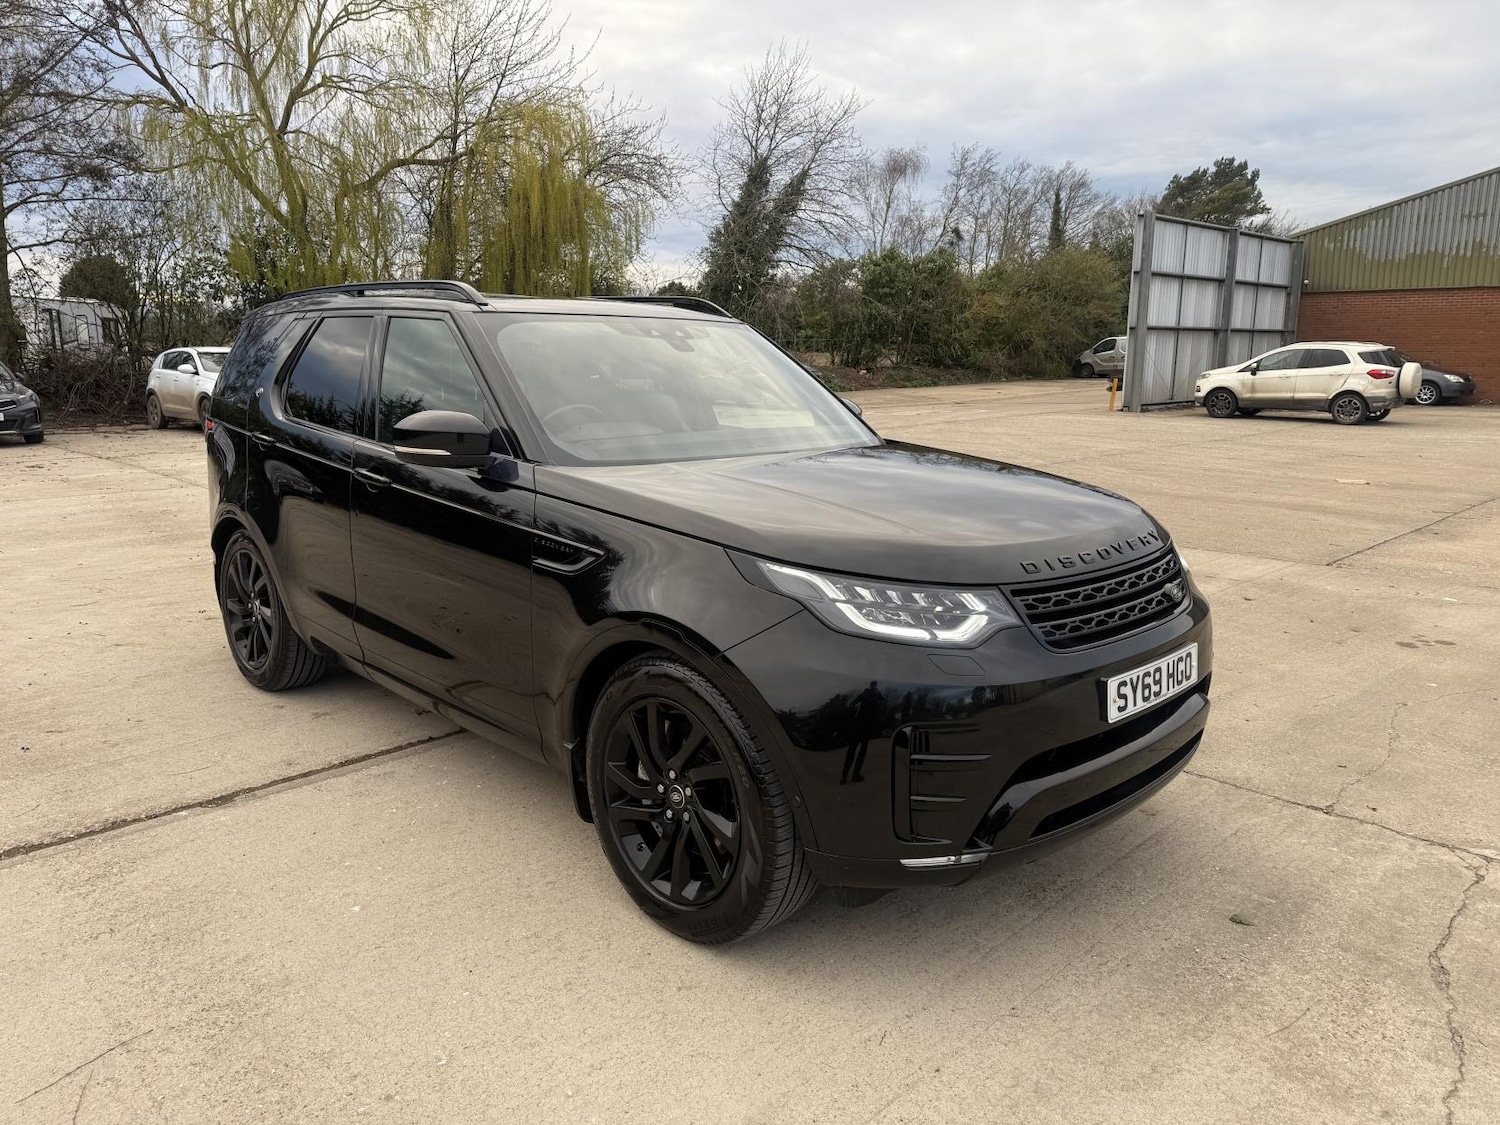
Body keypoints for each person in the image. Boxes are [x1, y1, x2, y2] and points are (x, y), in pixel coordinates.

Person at [840, 681, 884, 785]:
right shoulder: (877, 695)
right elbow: (879, 709)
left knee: (853, 749)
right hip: (866, 726)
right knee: (862, 750)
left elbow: (853, 703)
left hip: (859, 723)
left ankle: (845, 775)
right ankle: (855, 774)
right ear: (875, 685)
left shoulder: (866, 693)